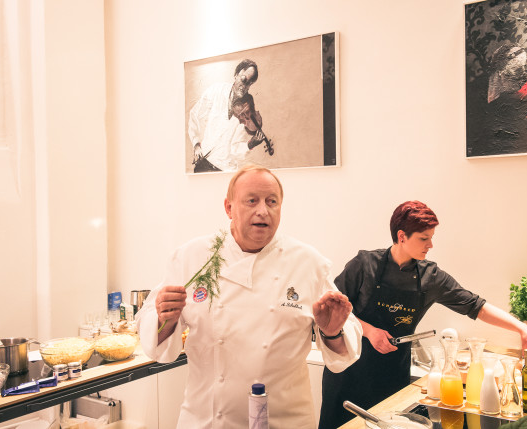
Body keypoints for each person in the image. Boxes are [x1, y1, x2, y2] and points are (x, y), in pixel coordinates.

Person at [137, 164, 362, 428]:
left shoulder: (308, 263)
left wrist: (332, 331)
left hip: (284, 420)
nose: (263, 211)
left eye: (272, 202)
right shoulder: (192, 257)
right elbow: (155, 341)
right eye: (251, 201)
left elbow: (343, 352)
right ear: (229, 207)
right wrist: (166, 318)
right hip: (208, 419)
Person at [318, 201, 527, 428]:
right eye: (424, 238)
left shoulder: (431, 277)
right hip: (347, 372)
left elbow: (476, 305)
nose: (430, 245)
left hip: (390, 376)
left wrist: (523, 329)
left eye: (431, 238)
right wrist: (369, 331)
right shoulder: (364, 265)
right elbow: (331, 311)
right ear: (402, 236)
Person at [188, 59, 268, 173]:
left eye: (249, 83)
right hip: (204, 162)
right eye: (244, 79)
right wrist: (196, 143)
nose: (244, 86)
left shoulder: (246, 111)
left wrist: (250, 144)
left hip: (226, 170)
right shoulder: (216, 90)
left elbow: (235, 150)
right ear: (236, 75)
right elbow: (195, 114)